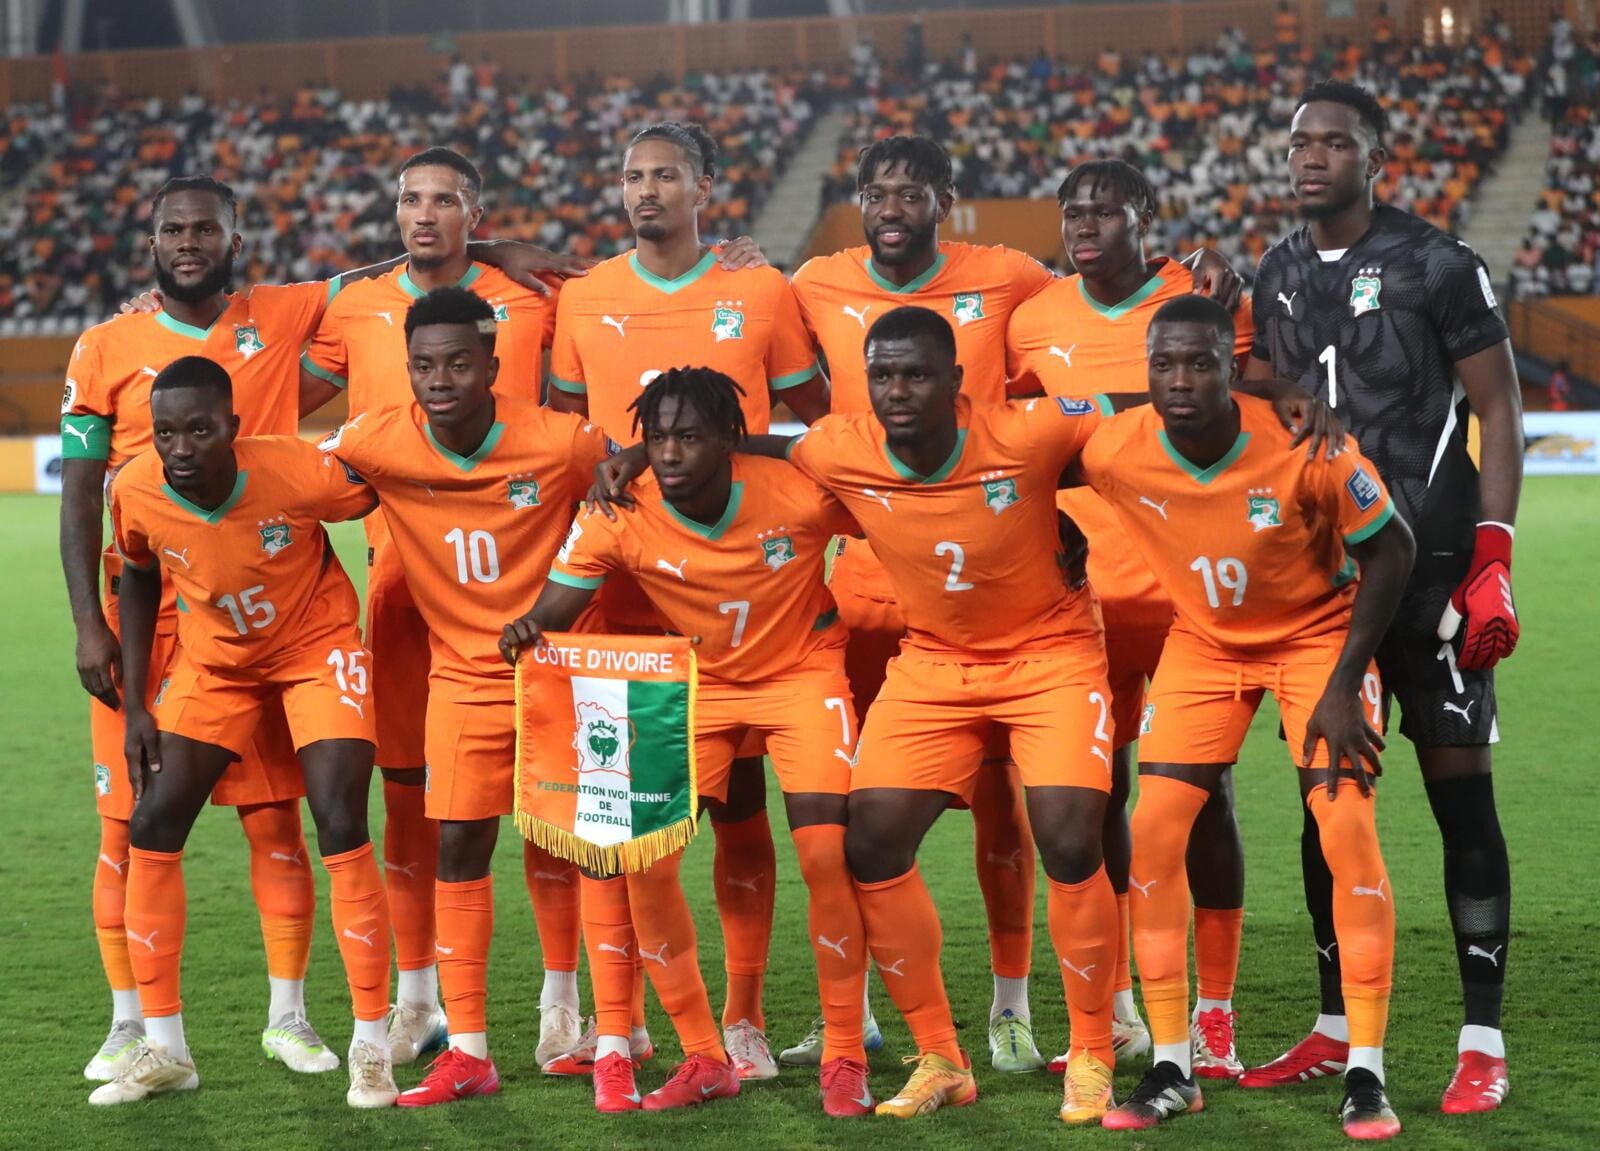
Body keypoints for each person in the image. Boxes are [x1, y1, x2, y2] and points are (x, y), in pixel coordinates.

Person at [787, 134, 1241, 1073]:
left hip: (1057, 596)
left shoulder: (1018, 283)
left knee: (1096, 805)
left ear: (946, 199)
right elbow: (783, 412)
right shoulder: (813, 283)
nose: (892, 206)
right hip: (885, 584)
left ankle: (1058, 1008)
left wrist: (1204, 264)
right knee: (855, 819)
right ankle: (855, 1015)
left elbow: (1088, 397)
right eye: (876, 191)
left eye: (912, 191)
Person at [1247, 80, 1524, 1114]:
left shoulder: (1438, 263)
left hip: (1436, 572)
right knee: (1327, 808)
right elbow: (1261, 390)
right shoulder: (1275, 270)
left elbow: (1500, 409)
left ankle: (1481, 1039)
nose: (1310, 157)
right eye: (1297, 143)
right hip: (1325, 586)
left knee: (1462, 800)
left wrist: (1493, 558)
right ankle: (1334, 1028)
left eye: (1333, 142)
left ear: (1376, 158)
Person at [1076, 295, 1414, 1140]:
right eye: (1164, 364)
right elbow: (1019, 463)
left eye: (1200, 363)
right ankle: (1171, 1064)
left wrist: (1345, 682)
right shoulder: (1115, 447)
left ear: (1232, 370)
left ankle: (1366, 1071)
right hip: (1205, 643)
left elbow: (1393, 547)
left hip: (1317, 639)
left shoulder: (1306, 443)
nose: (1179, 380)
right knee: (1154, 830)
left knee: (1346, 827)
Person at [502, 367, 871, 1117]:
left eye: (689, 437)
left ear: (728, 440)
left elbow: (889, 494)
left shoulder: (798, 492)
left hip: (803, 670)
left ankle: (845, 1054)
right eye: (658, 438)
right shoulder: (619, 510)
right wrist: (529, 628)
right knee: (641, 855)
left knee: (827, 854)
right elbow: (558, 604)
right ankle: (704, 1055)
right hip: (700, 683)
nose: (670, 453)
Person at [546, 120, 827, 1080]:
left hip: (733, 592)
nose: (646, 190)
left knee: (741, 811)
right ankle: (618, 1026)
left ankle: (742, 1019)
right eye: (633, 175)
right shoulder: (584, 295)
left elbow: (816, 421)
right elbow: (567, 433)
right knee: (614, 820)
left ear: (706, 186)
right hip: (619, 596)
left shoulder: (760, 288)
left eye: (666, 175)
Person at [298, 146, 582, 1068]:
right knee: (412, 799)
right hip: (403, 583)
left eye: (446, 201)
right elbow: (271, 386)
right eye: (411, 200)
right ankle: (419, 998)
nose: (425, 215)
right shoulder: (352, 304)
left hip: (522, 579)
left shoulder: (534, 294)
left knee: (552, 809)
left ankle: (562, 1001)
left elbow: (625, 316)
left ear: (476, 213)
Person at [63, 176, 329, 1081]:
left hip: (252, 612)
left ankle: (288, 1016)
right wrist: (88, 624)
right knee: (126, 825)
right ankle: (129, 1023)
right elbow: (78, 495)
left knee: (272, 818)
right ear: (151, 242)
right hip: (142, 613)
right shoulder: (104, 346)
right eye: (172, 229)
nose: (188, 241)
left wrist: (495, 251)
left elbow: (395, 275)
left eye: (205, 229)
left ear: (234, 240)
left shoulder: (279, 318)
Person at [319, 287, 612, 1107]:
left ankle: (568, 1011)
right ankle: (470, 1049)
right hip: (461, 677)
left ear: (492, 363)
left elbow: (633, 473)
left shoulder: (558, 440)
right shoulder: (376, 440)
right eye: (423, 365)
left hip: (562, 672)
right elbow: (301, 481)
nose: (439, 379)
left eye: (457, 363)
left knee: (574, 845)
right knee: (458, 847)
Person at [1006, 158, 1256, 1078]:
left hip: (1189, 592)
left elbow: (1257, 401)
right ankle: (1117, 1006)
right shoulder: (1033, 318)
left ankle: (1215, 1012)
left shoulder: (1206, 292)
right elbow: (1016, 438)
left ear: (1146, 214)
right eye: (1073, 211)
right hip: (1083, 598)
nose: (1085, 225)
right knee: (1098, 794)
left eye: (1105, 211)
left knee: (1203, 795)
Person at [92, 357, 394, 1108]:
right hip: (216, 663)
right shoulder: (135, 487)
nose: (181, 448)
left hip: (316, 650)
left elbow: (377, 487)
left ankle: (372, 1045)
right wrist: (138, 705)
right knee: (152, 821)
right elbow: (138, 573)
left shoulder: (295, 470)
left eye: (199, 430)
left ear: (233, 426)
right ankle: (166, 1051)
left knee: (339, 819)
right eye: (166, 432)